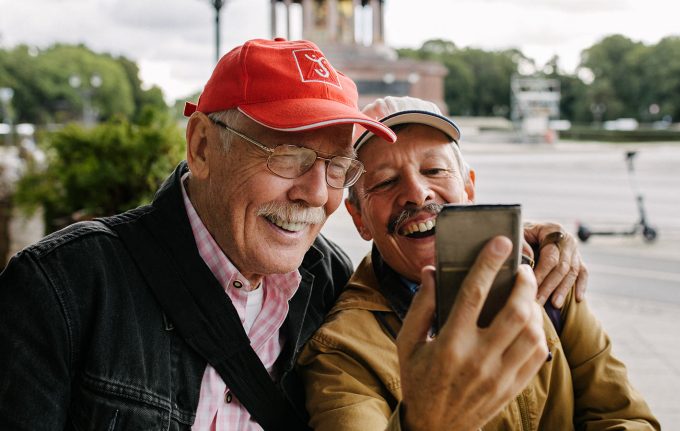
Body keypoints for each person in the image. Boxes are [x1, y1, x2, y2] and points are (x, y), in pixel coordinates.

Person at [0, 40, 582, 430]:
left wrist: (531, 243)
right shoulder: (62, 292)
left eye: (336, 167)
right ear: (202, 146)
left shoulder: (331, 287)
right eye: (289, 154)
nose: (314, 193)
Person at [298, 96, 660, 431]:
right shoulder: (341, 350)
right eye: (386, 181)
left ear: (468, 189)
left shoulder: (543, 277)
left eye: (435, 170)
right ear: (359, 218)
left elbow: (622, 416)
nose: (416, 192)